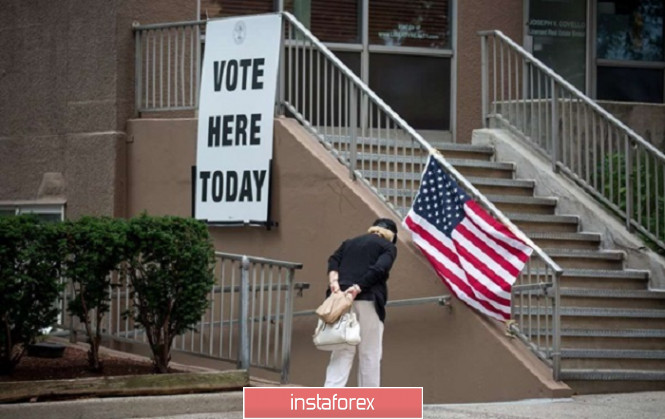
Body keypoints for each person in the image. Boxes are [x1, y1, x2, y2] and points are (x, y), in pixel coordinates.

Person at [324, 218, 398, 387]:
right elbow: (380, 268)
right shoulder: (388, 247)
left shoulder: (349, 243)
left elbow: (333, 260)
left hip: (342, 300)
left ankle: (329, 401)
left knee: (342, 350)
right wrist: (358, 287)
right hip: (368, 299)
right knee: (369, 352)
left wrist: (334, 283)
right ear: (391, 235)